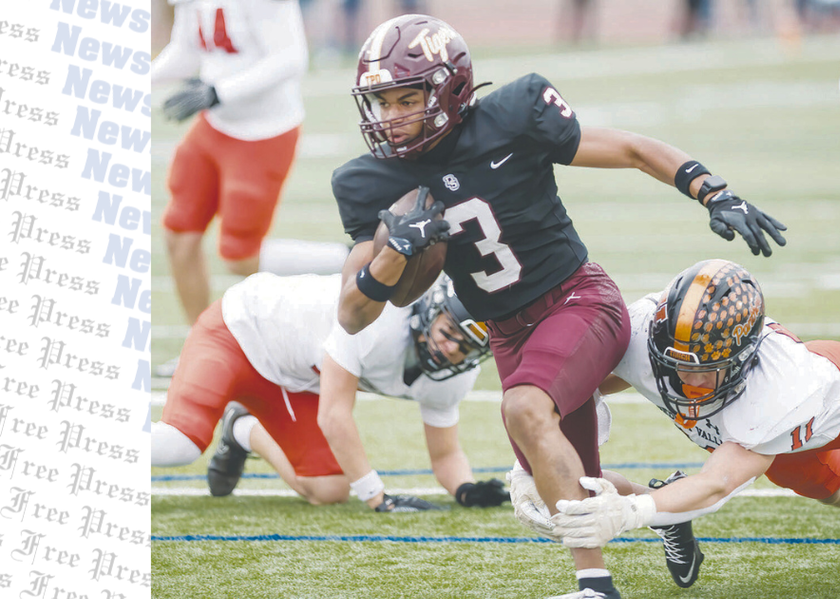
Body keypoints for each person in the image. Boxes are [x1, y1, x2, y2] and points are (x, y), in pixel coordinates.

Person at [331, 14, 787, 599]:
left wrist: (712, 190)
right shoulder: (369, 181)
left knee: (524, 408)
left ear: (449, 89)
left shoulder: (513, 114)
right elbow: (352, 312)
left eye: (406, 98)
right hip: (505, 334)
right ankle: (666, 512)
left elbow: (628, 148)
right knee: (568, 486)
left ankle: (595, 586)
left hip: (578, 300)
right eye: (382, 102)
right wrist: (397, 248)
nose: (391, 117)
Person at [534, 260, 840, 583]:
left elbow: (716, 484)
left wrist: (631, 511)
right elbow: (581, 380)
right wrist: (530, 465)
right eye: (674, 362)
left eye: (700, 369)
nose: (684, 378)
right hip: (764, 434)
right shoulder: (637, 330)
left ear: (742, 358)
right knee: (837, 489)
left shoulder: (776, 389)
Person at [151, 273, 509, 512]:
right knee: (179, 445)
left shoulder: (454, 377)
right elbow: (334, 414)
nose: (450, 351)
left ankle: (241, 428)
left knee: (329, 489)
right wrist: (377, 497)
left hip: (296, 377)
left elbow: (445, 455)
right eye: (448, 333)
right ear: (432, 311)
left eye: (466, 348)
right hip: (240, 331)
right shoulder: (378, 321)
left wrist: (465, 489)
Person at [153, 0, 350, 353]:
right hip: (215, 125)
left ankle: (350, 258)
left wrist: (219, 91)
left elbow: (291, 58)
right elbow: (187, 49)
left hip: (264, 132)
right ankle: (203, 348)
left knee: (239, 256)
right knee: (178, 234)